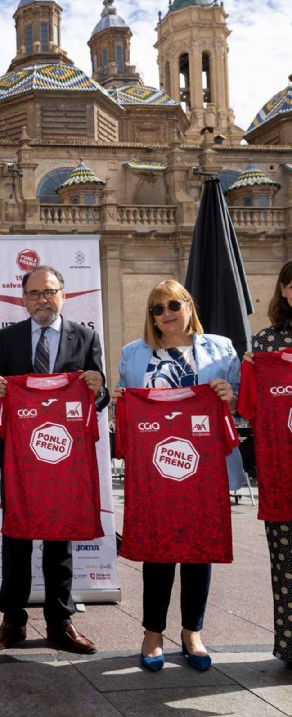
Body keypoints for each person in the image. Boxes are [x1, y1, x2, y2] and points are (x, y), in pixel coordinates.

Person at [115, 279, 239, 671]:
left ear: (188, 305)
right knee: (157, 550)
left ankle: (192, 632)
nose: (165, 315)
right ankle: (152, 633)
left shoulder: (222, 348)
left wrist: (228, 395)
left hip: (203, 469)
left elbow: (238, 403)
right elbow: (125, 402)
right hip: (153, 471)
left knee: (199, 550)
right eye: (156, 309)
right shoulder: (134, 354)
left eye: (172, 305)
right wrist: (118, 399)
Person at [0, 265, 107, 655]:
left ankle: (60, 621)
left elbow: (98, 398)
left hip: (64, 459)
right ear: (23, 299)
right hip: (20, 458)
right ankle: (12, 621)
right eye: (34, 293)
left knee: (60, 538)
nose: (42, 299)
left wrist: (98, 387)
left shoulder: (86, 337)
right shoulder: (5, 340)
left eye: (49, 292)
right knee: (16, 539)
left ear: (63, 295)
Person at [248, 261, 292, 667]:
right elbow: (250, 408)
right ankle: (291, 647)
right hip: (282, 476)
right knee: (287, 566)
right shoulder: (264, 345)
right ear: (283, 290)